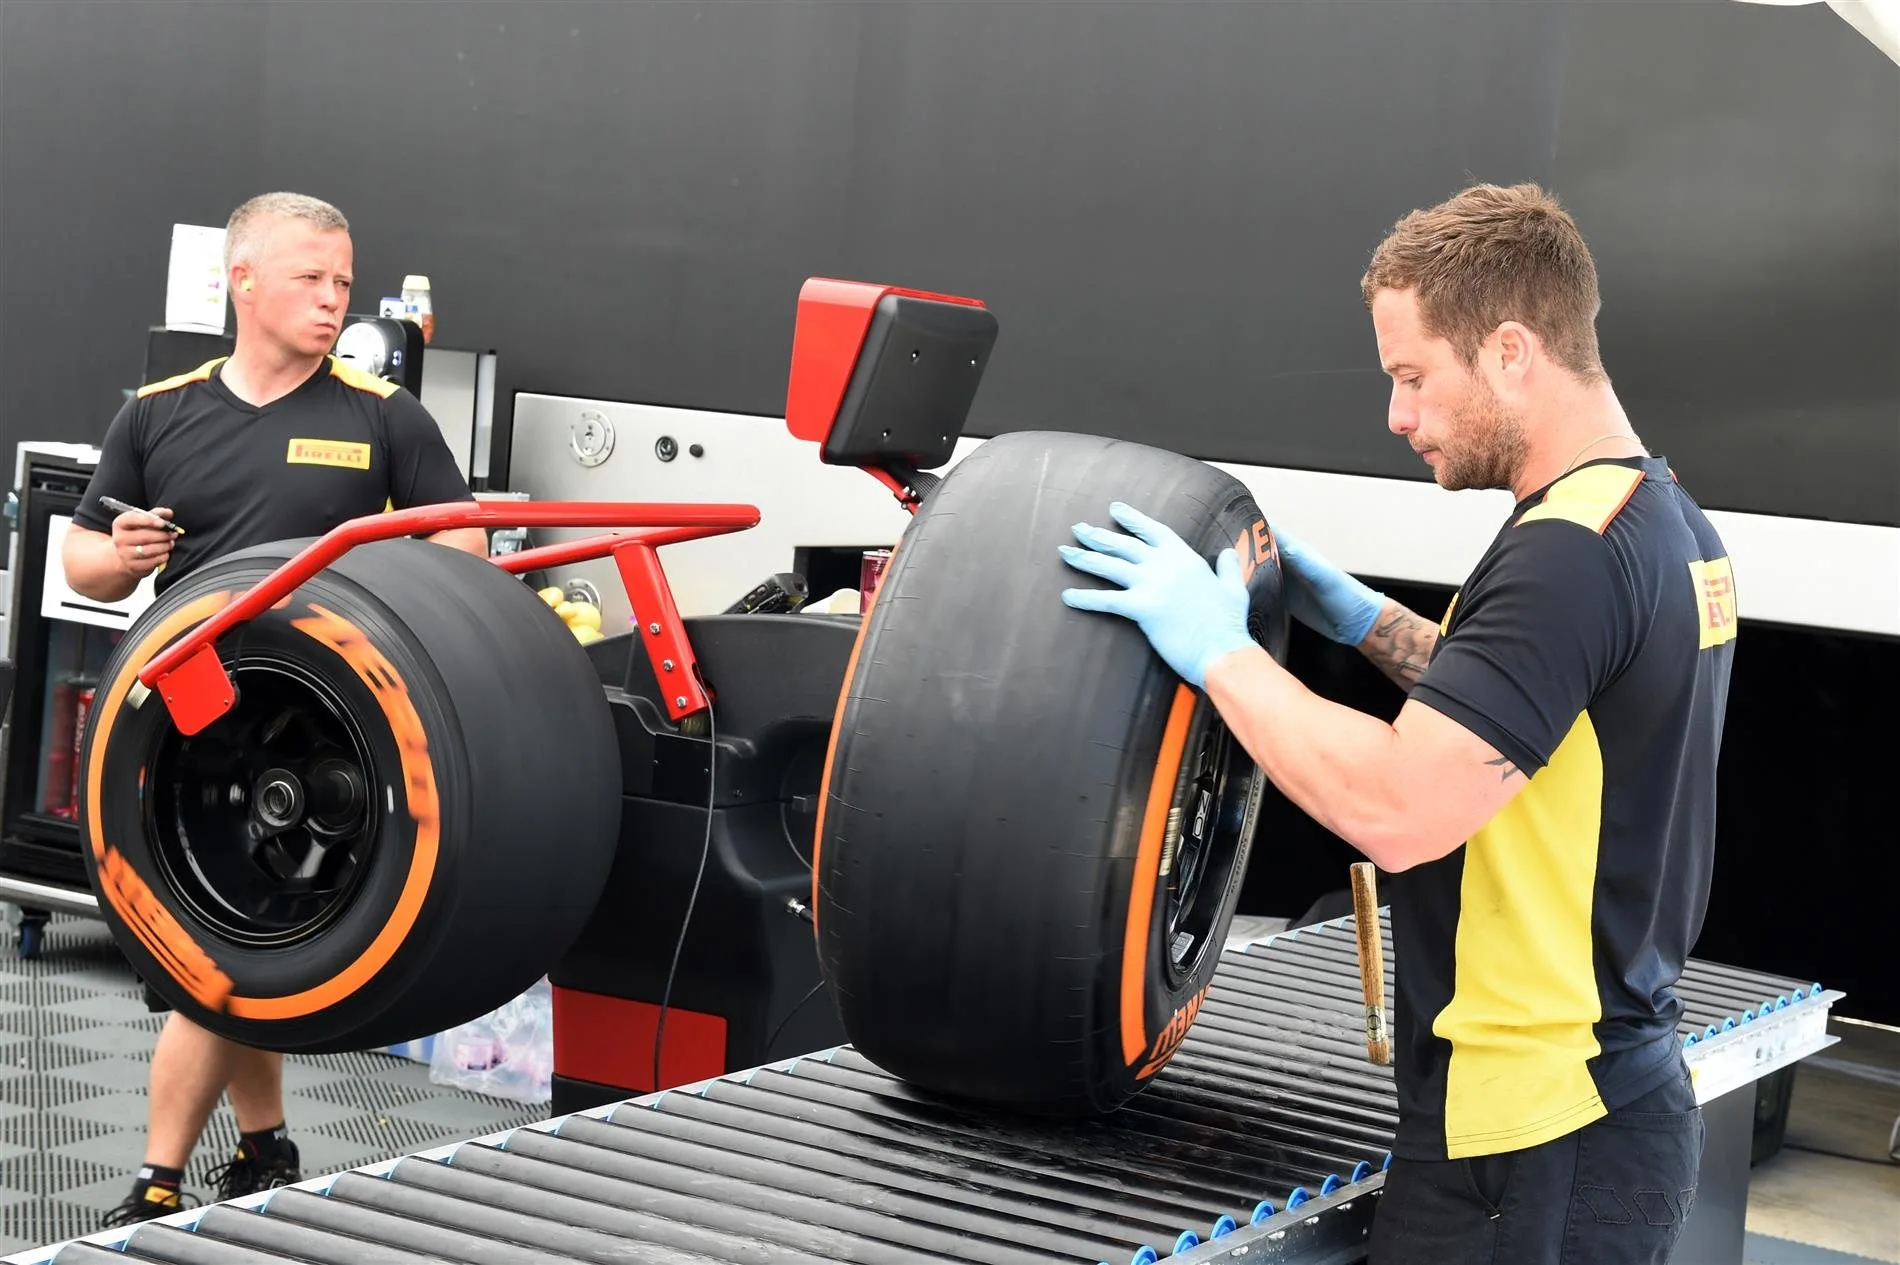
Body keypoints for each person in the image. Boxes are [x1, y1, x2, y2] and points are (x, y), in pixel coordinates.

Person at [1058, 182, 1733, 1265]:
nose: (1397, 415)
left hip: (1531, 1141)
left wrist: (1214, 648)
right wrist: (1365, 619)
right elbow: (1530, 711)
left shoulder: (1565, 553)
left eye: (1413, 377)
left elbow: (1401, 805)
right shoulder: (1652, 516)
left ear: (1511, 351)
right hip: (1601, 1098)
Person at [63, 191, 487, 1227]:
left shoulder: (381, 414)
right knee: (234, 948)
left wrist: (382, 564)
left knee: (218, 954)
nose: (334, 299)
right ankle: (264, 1146)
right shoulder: (157, 411)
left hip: (314, 733)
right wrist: (117, 555)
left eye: (343, 280)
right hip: (183, 735)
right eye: (311, 277)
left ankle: (158, 1177)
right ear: (243, 281)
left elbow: (467, 549)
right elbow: (84, 555)